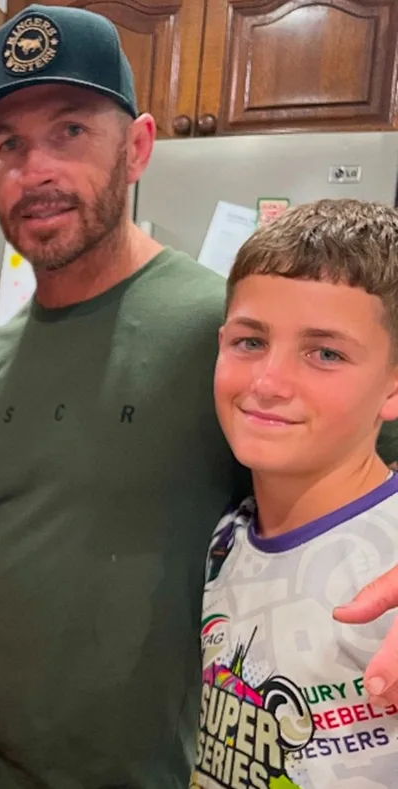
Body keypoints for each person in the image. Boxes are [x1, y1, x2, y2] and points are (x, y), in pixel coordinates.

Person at [0, 5, 398, 788]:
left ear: (138, 146)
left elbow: (368, 492)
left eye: (71, 130)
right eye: (9, 144)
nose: (37, 168)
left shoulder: (237, 337)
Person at [191, 199, 398, 789]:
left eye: (325, 353)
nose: (268, 383)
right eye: (250, 342)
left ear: (393, 387)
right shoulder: (224, 535)